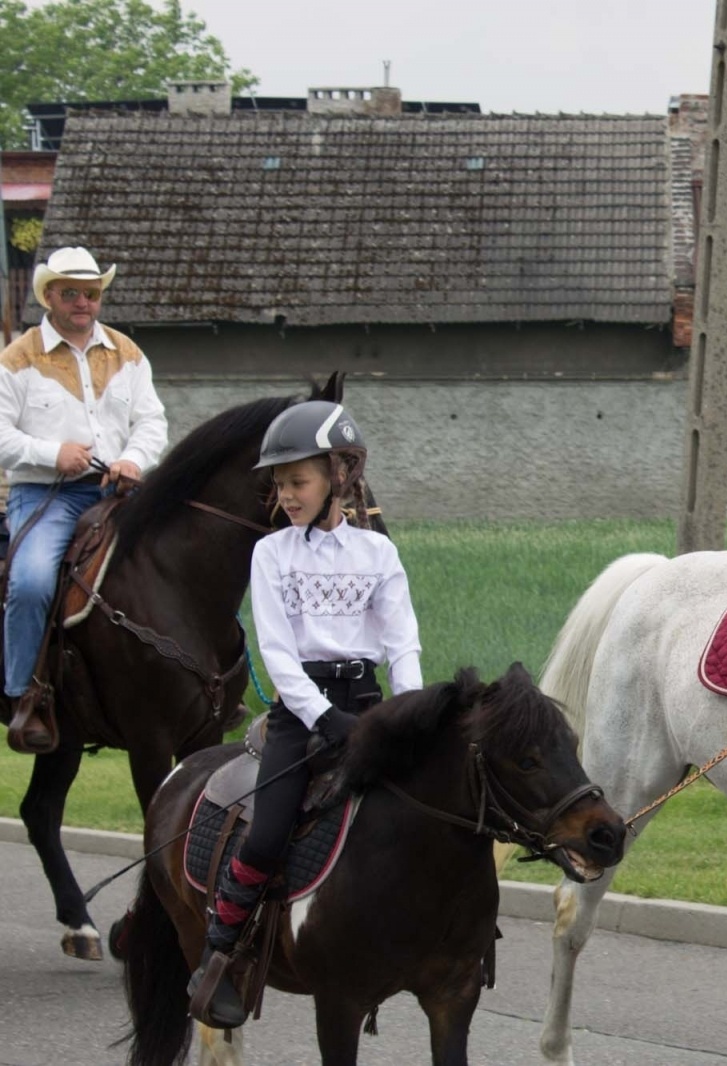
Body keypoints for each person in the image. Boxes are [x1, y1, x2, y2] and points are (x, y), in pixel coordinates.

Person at [188, 400, 422, 1030]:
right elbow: (278, 655)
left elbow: (402, 645)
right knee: (266, 835)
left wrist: (405, 715)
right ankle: (218, 955)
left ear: (339, 477)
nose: (286, 495)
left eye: (299, 482)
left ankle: (454, 938)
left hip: (368, 702)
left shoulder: (378, 554)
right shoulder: (271, 556)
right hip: (302, 711)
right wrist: (323, 720)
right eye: (280, 484)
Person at [0, 247, 167, 753]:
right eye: (70, 292)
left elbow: (151, 421)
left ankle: (207, 686)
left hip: (118, 492)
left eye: (90, 293)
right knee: (29, 582)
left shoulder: (128, 353)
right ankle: (22, 696)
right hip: (45, 495)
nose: (81, 302)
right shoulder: (18, 357)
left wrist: (133, 460)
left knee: (186, 561)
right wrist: (53, 454)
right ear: (48, 295)